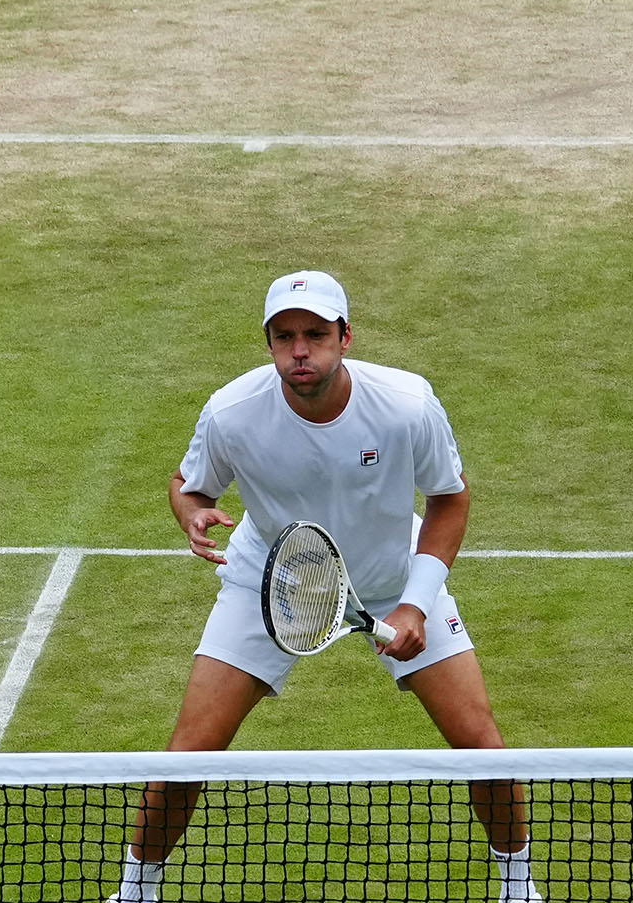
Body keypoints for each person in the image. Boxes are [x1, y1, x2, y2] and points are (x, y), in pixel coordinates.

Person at [108, 271, 541, 903]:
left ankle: (518, 886)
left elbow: (449, 499)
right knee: (190, 753)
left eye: (315, 334)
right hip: (274, 581)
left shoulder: (405, 404)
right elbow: (188, 481)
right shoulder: (232, 412)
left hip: (393, 580)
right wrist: (191, 513)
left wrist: (416, 602)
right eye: (285, 337)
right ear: (269, 344)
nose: (300, 350)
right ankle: (135, 890)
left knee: (483, 747)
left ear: (345, 336)